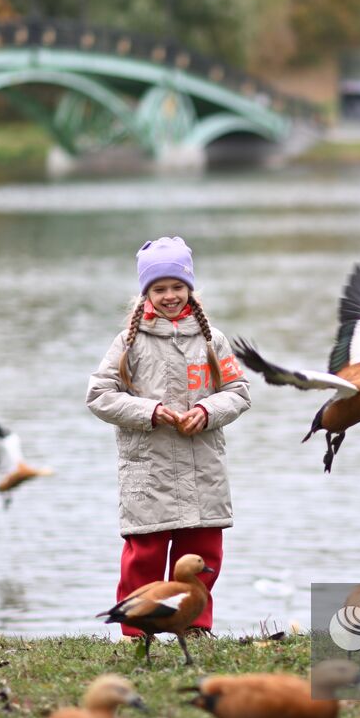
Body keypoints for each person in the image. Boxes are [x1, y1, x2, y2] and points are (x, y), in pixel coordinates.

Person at [87, 236, 251, 636]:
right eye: (159, 289)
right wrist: (152, 413)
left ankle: (195, 625)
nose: (170, 296)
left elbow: (239, 392)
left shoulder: (213, 340)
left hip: (202, 469)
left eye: (177, 287)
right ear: (146, 293)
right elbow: (98, 396)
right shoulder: (129, 343)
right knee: (145, 555)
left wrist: (207, 411)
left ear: (190, 289)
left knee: (202, 555)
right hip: (150, 471)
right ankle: (137, 629)